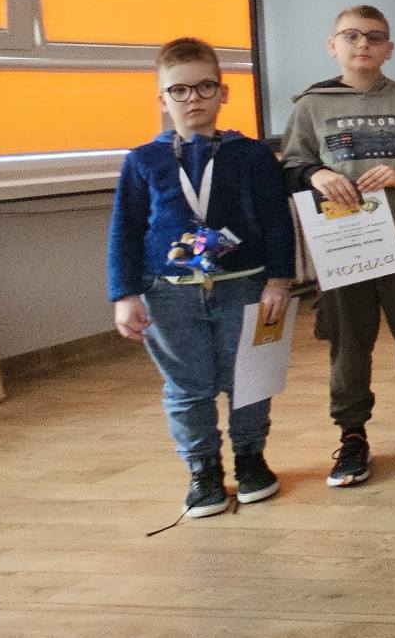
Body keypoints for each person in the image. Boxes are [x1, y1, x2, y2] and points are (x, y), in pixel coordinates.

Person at [109, 37, 297, 517]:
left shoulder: (251, 155)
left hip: (245, 285)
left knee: (248, 380)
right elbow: (125, 230)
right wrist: (124, 294)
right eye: (179, 90)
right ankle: (203, 472)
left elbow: (277, 222)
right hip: (168, 294)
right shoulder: (142, 160)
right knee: (187, 386)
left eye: (205, 87)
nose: (193, 98)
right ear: (162, 99)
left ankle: (251, 460)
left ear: (223, 92)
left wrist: (279, 280)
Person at [280, 5, 395, 486]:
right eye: (352, 35)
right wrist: (316, 174)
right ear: (332, 45)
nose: (363, 44)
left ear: (389, 49)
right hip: (344, 243)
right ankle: (352, 435)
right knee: (348, 341)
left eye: (375, 37)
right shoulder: (310, 107)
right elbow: (290, 167)